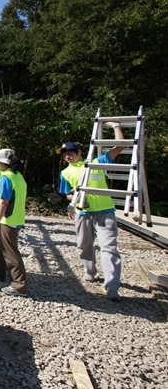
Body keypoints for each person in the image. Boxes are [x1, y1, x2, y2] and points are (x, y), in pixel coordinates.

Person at [58, 121, 125, 301]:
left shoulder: (96, 163)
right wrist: (78, 198)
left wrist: (116, 126)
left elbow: (120, 146)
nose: (67, 156)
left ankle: (112, 287)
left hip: (105, 211)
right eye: (64, 154)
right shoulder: (65, 173)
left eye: (70, 153)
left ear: (80, 152)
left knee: (109, 248)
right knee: (84, 245)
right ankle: (90, 271)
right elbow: (67, 195)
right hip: (82, 213)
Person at [0, 148, 29, 297]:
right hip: (16, 218)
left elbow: (4, 202)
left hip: (8, 219)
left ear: (2, 163)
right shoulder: (18, 176)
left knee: (10, 252)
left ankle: (19, 285)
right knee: (3, 246)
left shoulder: (5, 178)